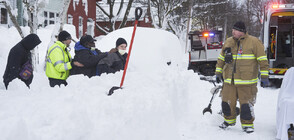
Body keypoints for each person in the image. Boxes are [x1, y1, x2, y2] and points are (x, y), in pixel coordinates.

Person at [215, 21, 269, 133]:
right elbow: (221, 59)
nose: (232, 31)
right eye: (233, 30)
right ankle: (228, 121)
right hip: (229, 81)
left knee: (246, 105)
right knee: (226, 102)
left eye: (235, 30)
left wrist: (264, 76)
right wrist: (218, 73)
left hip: (247, 82)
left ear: (242, 31)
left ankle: (247, 124)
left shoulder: (254, 42)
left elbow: (263, 61)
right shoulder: (228, 42)